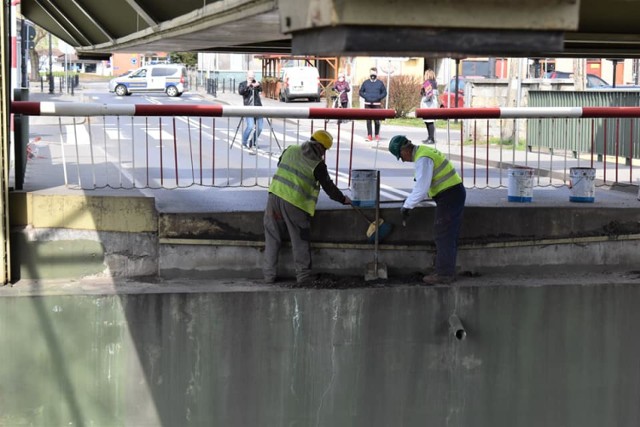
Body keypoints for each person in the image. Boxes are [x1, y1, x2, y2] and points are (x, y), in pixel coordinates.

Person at [263, 130, 352, 285]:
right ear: (320, 147)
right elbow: (329, 188)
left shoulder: (290, 149)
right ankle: (303, 276)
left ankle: (268, 276)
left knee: (272, 238)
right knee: (300, 240)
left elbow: (280, 164)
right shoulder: (317, 165)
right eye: (324, 150)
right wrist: (343, 199)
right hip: (294, 204)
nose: (324, 154)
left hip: (274, 197)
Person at [388, 135, 466, 285]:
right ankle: (446, 270)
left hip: (449, 195)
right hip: (452, 193)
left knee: (443, 232)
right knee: (449, 233)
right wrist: (410, 201)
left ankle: (444, 274)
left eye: (400, 157)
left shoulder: (422, 159)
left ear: (404, 151)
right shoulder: (424, 152)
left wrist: (407, 206)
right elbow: (422, 186)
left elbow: (422, 189)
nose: (403, 160)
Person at [359, 67, 387, 142]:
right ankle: (369, 135)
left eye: (374, 73)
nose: (373, 74)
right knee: (368, 121)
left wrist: (379, 97)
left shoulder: (380, 83)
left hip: (377, 104)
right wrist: (366, 97)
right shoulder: (365, 83)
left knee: (377, 120)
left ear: (376, 74)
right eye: (371, 73)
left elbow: (384, 93)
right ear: (369, 73)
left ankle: (377, 135)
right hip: (368, 104)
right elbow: (361, 92)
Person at [237, 71, 263, 149]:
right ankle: (244, 142)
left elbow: (261, 89)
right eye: (250, 77)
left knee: (260, 127)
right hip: (248, 108)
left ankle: (252, 142)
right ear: (247, 76)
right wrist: (248, 85)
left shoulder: (256, 83)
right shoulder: (243, 84)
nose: (251, 79)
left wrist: (258, 86)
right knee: (250, 126)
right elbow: (241, 92)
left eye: (252, 77)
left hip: (258, 107)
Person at [420, 69, 439, 144]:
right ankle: (430, 137)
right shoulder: (435, 83)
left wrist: (424, 100)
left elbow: (429, 95)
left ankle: (431, 138)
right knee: (429, 122)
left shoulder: (427, 83)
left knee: (429, 122)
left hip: (428, 105)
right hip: (433, 105)